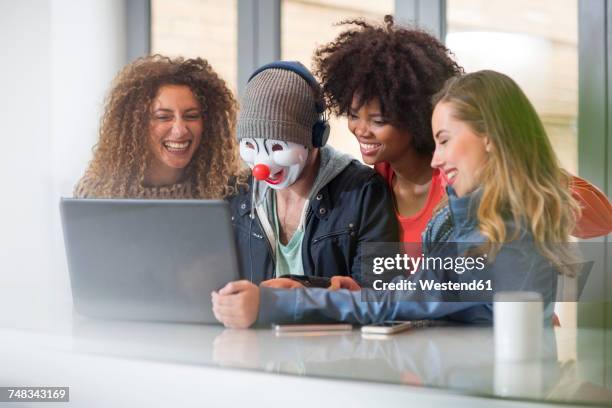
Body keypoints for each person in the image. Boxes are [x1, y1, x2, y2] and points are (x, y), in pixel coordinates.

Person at [212, 70, 580, 328]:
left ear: (490, 136)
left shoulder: (507, 238)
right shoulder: (473, 217)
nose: (437, 159)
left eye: (446, 140)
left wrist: (277, 303)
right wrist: (331, 287)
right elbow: (420, 291)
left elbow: (412, 301)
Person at [313, 15, 611, 246]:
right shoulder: (369, 184)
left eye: (378, 121)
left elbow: (601, 221)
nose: (361, 130)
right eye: (353, 116)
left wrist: (517, 166)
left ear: (415, 115)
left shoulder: (467, 175)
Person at [227, 61, 398, 288]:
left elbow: (379, 290)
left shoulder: (364, 192)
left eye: (277, 148)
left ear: (317, 137)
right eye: (250, 145)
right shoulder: (239, 192)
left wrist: (305, 292)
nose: (261, 166)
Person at [74, 55, 243, 199]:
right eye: (163, 117)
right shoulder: (98, 192)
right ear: (137, 124)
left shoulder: (226, 192)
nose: (180, 130)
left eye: (191, 116)